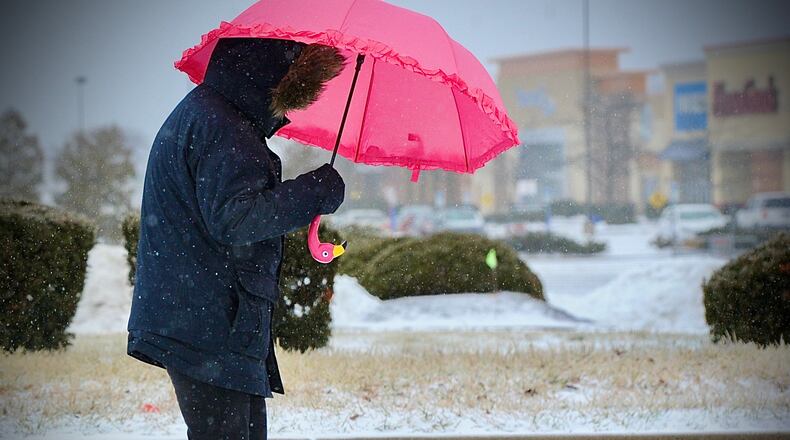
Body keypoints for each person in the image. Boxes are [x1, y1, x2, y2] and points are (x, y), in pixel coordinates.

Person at [127, 38, 346, 440]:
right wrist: (313, 192)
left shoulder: (214, 115)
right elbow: (237, 218)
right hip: (208, 324)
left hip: (207, 321)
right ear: (276, 79)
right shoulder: (224, 126)